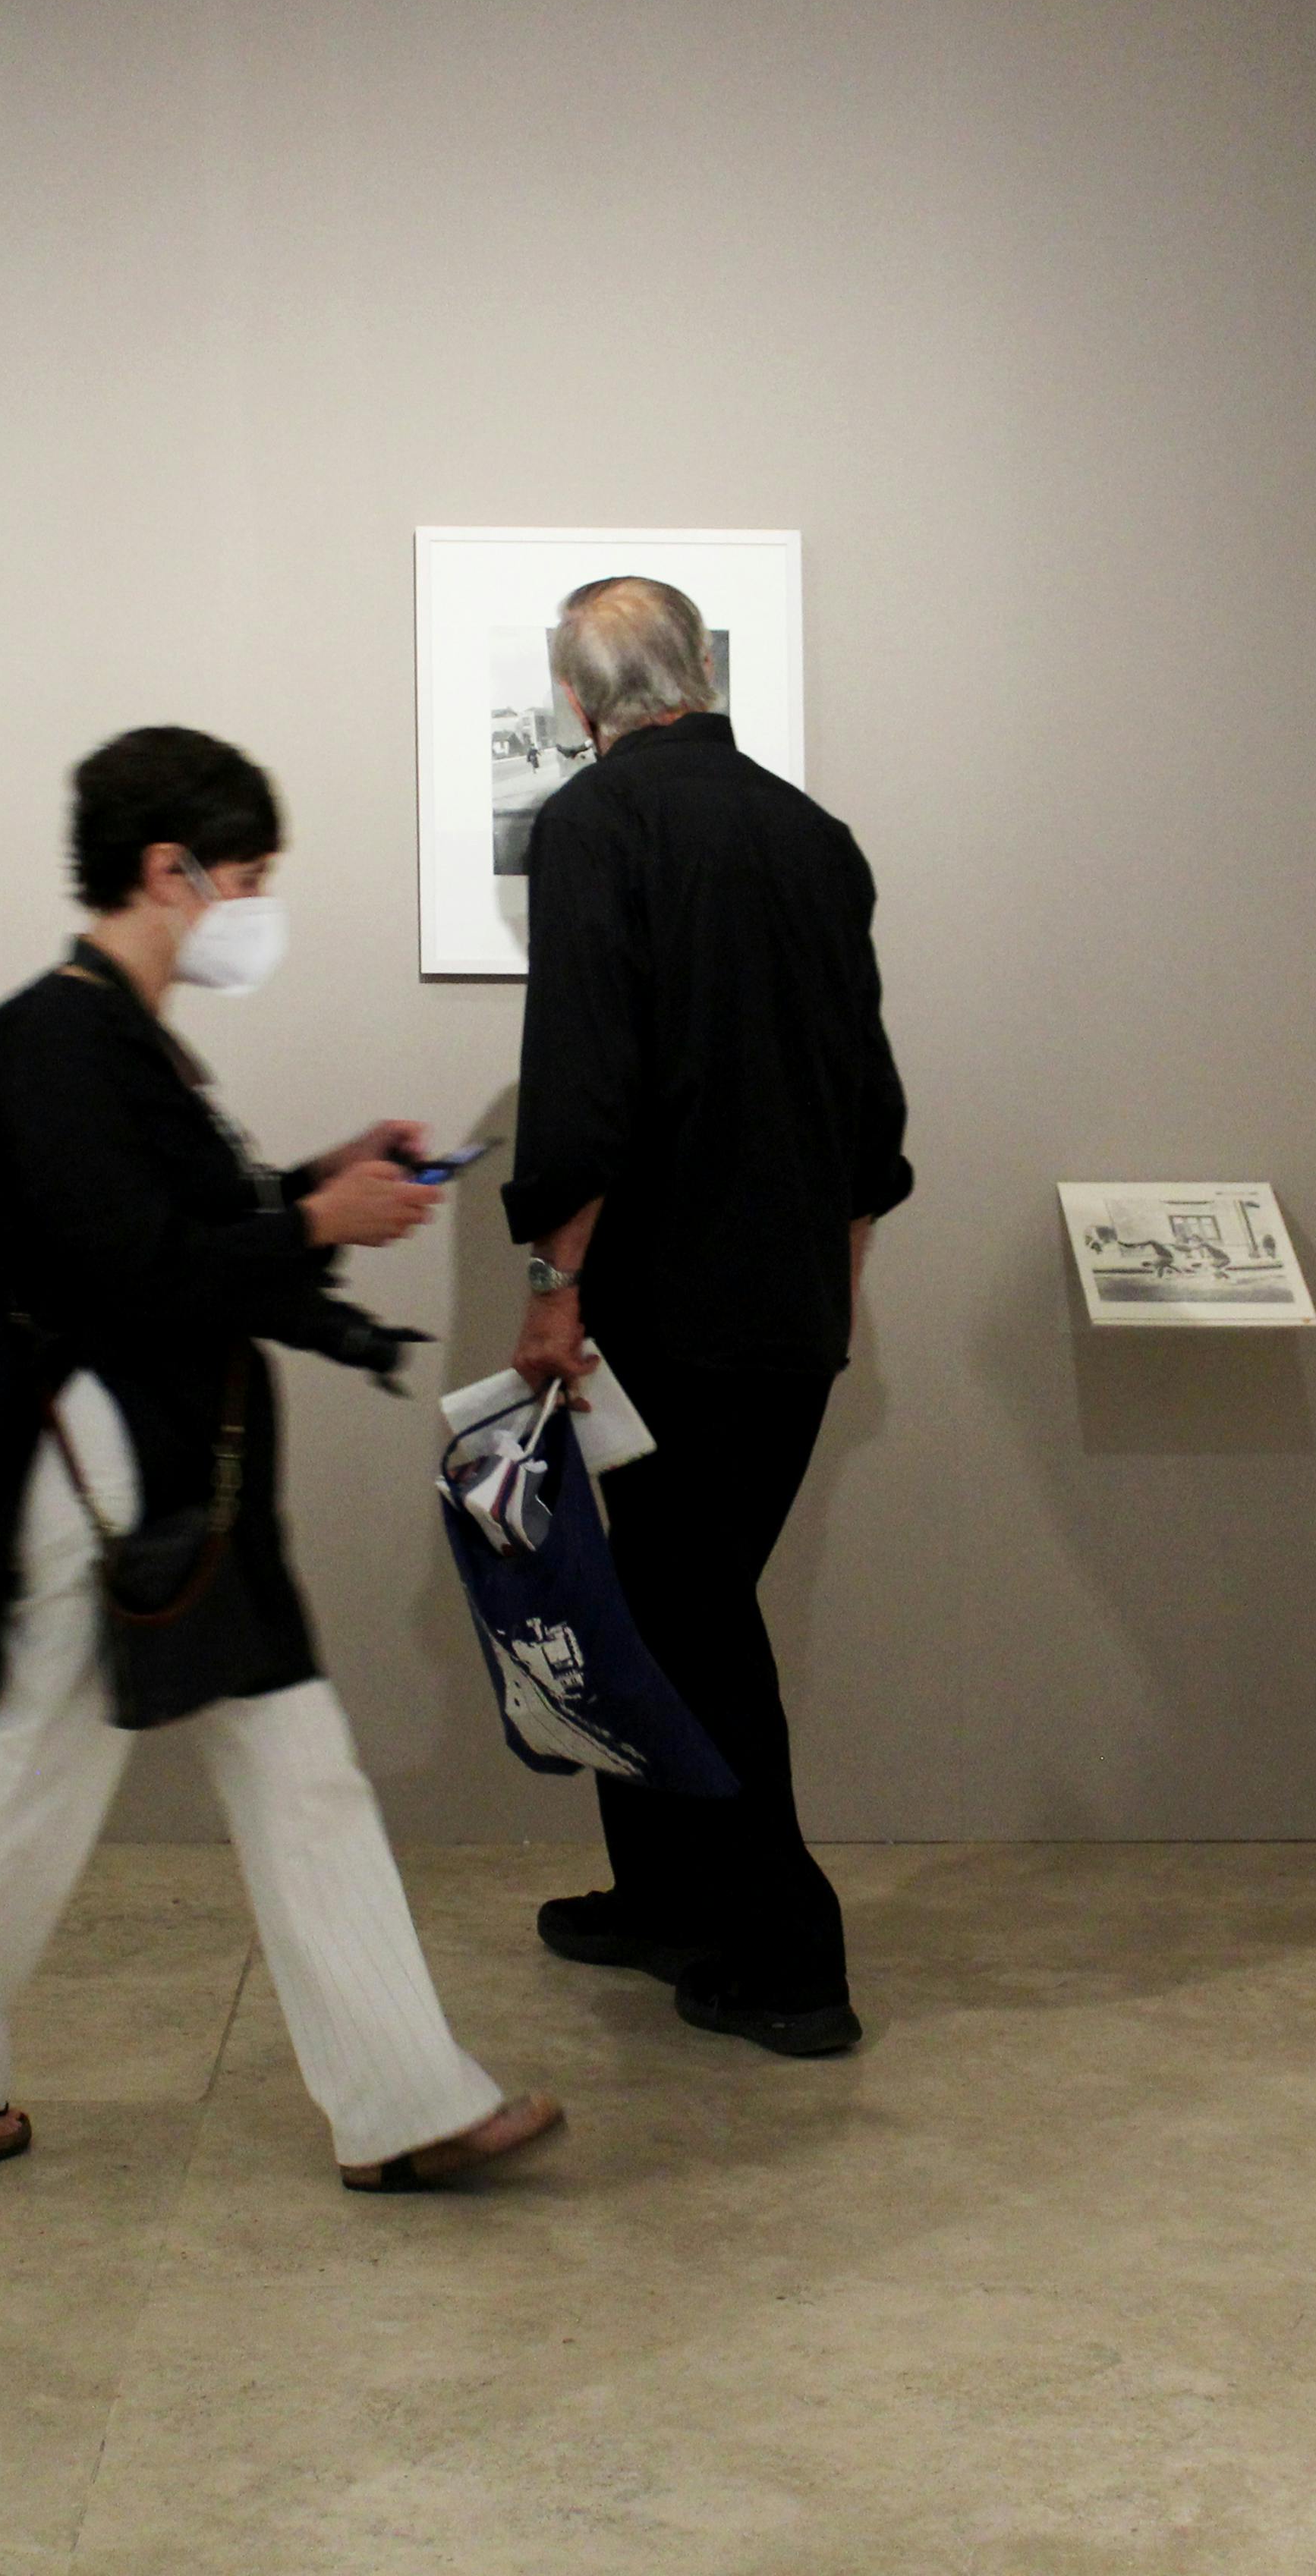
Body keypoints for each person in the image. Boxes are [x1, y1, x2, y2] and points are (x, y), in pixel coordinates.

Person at [0, 725, 564, 2194]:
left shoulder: (106, 1034)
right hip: (126, 1470)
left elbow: (163, 1229)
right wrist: (314, 1227)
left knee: (124, 1769)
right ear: (174, 870)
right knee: (190, 1770)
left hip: (148, 1466)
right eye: (253, 877)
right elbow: (125, 1271)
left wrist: (320, 1183)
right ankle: (399, 2104)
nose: (261, 908)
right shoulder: (60, 1034)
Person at [503, 577, 912, 2059]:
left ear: (579, 702)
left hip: (659, 1312)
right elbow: (869, 1103)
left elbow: (587, 1087)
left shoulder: (595, 827)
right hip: (788, 1306)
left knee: (686, 1616)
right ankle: (664, 1892)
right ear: (701, 675)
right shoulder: (813, 837)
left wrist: (554, 1288)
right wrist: (841, 1275)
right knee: (661, 1605)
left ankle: (790, 1955)